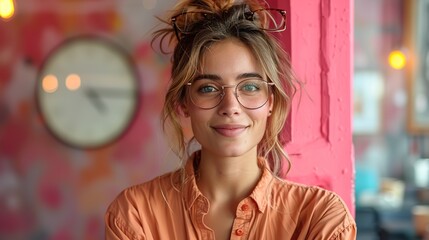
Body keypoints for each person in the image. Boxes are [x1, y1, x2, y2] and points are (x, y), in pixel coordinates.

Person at [105, 0, 357, 239]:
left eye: (249, 87)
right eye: (208, 88)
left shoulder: (320, 217)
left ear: (270, 101)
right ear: (183, 103)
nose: (230, 107)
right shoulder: (135, 214)